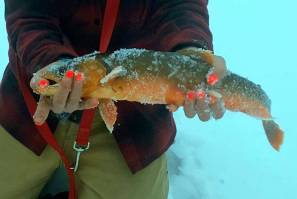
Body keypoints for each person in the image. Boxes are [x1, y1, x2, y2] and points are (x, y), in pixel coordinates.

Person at [0, 0, 226, 198]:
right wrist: (52, 63)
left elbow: (179, 5)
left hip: (134, 119)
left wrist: (191, 49)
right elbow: (28, 14)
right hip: (28, 110)